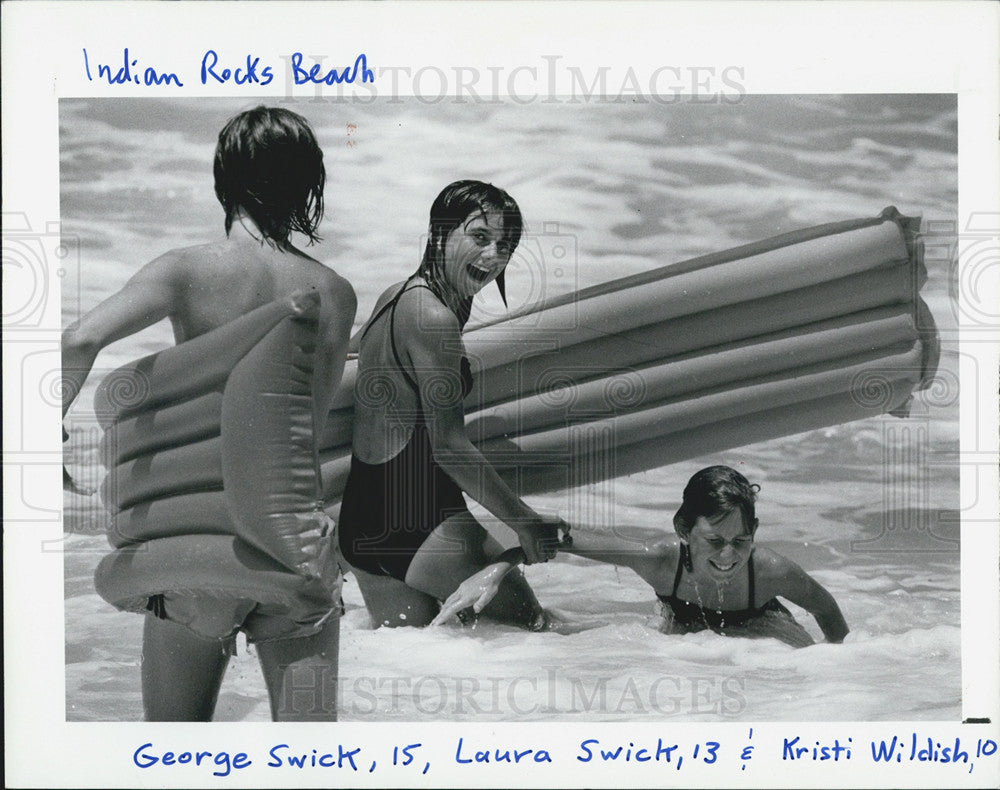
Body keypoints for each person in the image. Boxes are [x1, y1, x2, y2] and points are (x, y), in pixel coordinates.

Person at [61, 106, 357, 720]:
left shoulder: (186, 269)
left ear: (224, 178)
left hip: (198, 550)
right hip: (293, 547)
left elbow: (80, 340)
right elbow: (307, 426)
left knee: (175, 751)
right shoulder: (333, 291)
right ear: (309, 184)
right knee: (310, 758)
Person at [338, 180, 566, 630]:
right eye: (479, 238)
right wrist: (525, 522)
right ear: (440, 232)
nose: (493, 256)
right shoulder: (435, 318)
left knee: (422, 665)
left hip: (362, 522)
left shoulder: (395, 296)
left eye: (505, 245)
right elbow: (448, 446)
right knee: (538, 635)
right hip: (418, 523)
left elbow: (350, 360)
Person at [435, 466, 849, 648]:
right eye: (714, 541)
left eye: (740, 541)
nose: (728, 555)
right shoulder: (660, 562)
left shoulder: (771, 572)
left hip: (763, 629)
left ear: (754, 534)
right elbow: (561, 539)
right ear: (684, 532)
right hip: (688, 632)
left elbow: (826, 609)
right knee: (547, 632)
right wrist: (497, 568)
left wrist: (836, 664)